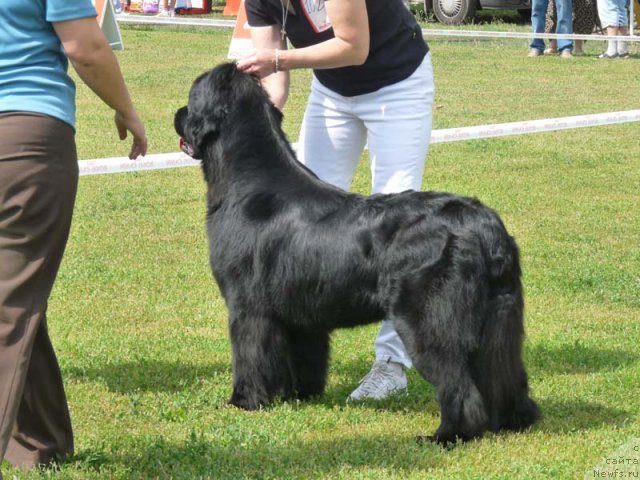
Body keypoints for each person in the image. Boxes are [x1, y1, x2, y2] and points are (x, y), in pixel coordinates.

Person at [237, 0, 434, 401]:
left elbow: (353, 45)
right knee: (302, 223)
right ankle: (302, 358)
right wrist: (254, 121)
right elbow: (275, 83)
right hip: (332, 90)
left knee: (396, 226)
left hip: (396, 83)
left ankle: (391, 365)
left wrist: (279, 57)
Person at [0, 0, 147, 475]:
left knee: (15, 288)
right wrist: (127, 110)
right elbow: (85, 47)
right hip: (25, 134)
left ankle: (41, 443)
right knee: (10, 301)